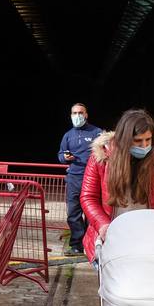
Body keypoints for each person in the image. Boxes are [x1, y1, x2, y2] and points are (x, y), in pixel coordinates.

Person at [80, 108, 154, 261]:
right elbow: (88, 197)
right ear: (124, 139)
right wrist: (103, 225)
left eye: (148, 140)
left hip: (146, 239)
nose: (144, 145)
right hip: (110, 238)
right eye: (138, 141)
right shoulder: (102, 157)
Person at [57, 102, 102, 255]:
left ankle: (92, 244)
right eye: (75, 113)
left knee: (92, 212)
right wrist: (64, 157)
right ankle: (76, 245)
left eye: (80, 113)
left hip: (92, 179)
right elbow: (60, 154)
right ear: (71, 116)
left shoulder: (97, 132)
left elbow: (106, 153)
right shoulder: (68, 135)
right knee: (73, 214)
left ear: (86, 115)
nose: (78, 116)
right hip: (73, 179)